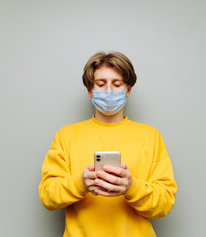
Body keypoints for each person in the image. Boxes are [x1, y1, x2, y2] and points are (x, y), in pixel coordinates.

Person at [38, 52, 177, 237]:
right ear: (90, 90)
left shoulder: (151, 136)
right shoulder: (65, 136)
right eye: (101, 84)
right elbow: (48, 196)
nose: (109, 91)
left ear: (128, 90)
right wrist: (80, 183)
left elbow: (164, 204)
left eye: (117, 84)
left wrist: (130, 187)